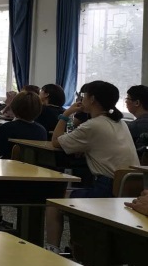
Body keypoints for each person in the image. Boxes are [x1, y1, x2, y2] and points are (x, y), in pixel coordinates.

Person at [45, 80, 140, 253]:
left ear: (93, 99)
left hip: (106, 188)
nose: (82, 99)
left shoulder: (92, 125)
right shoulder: (121, 123)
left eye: (84, 96)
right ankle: (77, 247)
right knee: (73, 195)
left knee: (55, 200)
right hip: (130, 188)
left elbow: (56, 142)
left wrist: (66, 113)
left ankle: (52, 251)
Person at [0, 91, 46, 159]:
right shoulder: (42, 130)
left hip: (8, 163)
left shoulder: (7, 127)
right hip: (33, 165)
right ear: (39, 109)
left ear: (14, 106)